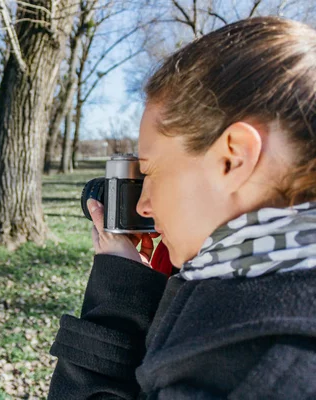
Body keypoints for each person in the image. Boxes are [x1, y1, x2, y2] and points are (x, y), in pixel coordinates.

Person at [48, 16, 316, 399]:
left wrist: (113, 303)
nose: (143, 202)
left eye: (152, 171)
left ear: (233, 158)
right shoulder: (261, 302)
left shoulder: (239, 376)